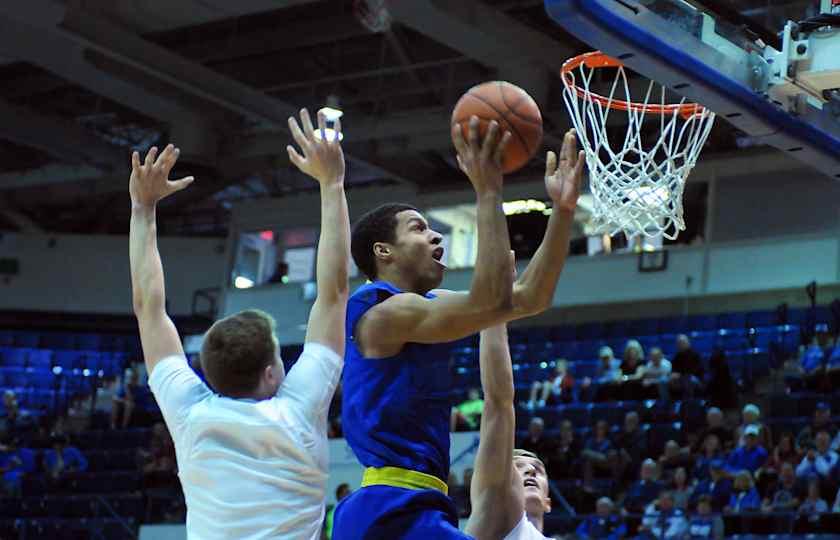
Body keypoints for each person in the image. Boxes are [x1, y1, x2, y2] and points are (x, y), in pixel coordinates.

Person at [334, 124, 585, 539]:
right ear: (384, 252)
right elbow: (491, 302)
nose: (435, 235)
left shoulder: (423, 307)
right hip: (389, 507)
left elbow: (528, 299)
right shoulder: (379, 312)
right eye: (417, 228)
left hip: (416, 505)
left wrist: (562, 212)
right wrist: (488, 191)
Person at [132, 109, 351, 539]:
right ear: (271, 373)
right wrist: (333, 183)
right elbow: (334, 292)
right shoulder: (299, 412)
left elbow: (148, 307)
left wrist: (142, 209)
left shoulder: (190, 414)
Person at [464, 323, 553, 539]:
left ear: (548, 502)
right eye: (519, 468)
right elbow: (498, 403)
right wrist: (493, 316)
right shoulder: (496, 511)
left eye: (537, 470)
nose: (531, 471)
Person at [669, 334, 703, 399]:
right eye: (679, 343)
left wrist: (680, 374)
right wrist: (673, 374)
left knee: (688, 380)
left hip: (695, 378)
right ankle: (670, 404)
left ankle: (690, 403)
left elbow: (696, 370)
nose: (680, 345)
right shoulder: (677, 356)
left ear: (688, 342)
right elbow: (674, 368)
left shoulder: (695, 354)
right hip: (680, 378)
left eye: (682, 342)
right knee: (665, 381)